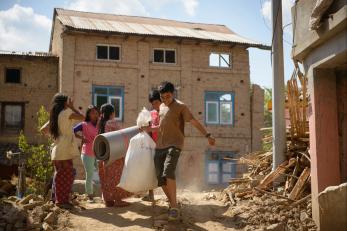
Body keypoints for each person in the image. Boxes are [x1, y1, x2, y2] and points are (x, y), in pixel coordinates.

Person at [143, 81, 215, 221]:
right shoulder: (162, 107)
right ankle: (173, 204)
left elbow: (193, 121)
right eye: (163, 97)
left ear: (173, 93)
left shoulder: (181, 107)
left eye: (168, 96)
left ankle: (174, 207)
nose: (165, 100)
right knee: (160, 178)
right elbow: (161, 126)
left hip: (174, 144)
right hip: (160, 146)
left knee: (168, 170)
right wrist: (148, 129)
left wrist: (207, 135)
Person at [41, 93, 85, 209]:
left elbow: (43, 129)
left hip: (56, 149)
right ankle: (61, 201)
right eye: (68, 102)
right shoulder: (67, 113)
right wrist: (72, 107)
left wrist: (55, 136)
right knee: (66, 176)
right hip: (64, 149)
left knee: (59, 175)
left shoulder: (54, 116)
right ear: (65, 103)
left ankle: (56, 199)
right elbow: (83, 118)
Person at [97, 103, 132, 207]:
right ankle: (118, 200)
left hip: (103, 155)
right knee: (116, 177)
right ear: (112, 113)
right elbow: (121, 135)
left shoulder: (101, 123)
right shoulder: (112, 123)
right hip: (114, 155)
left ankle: (108, 200)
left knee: (106, 178)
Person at [73, 105, 99, 203]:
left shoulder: (98, 125)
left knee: (101, 172)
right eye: (92, 113)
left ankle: (103, 194)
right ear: (88, 114)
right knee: (90, 174)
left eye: (96, 113)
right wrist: (81, 138)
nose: (95, 115)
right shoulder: (83, 124)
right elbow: (72, 131)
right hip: (87, 153)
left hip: (97, 153)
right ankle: (89, 195)